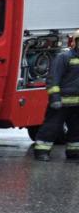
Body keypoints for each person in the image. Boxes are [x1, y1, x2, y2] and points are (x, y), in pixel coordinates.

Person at [34, 29, 79, 162]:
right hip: (61, 102)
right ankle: (42, 151)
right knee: (52, 127)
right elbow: (53, 79)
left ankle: (74, 152)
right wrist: (55, 98)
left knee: (77, 130)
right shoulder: (64, 57)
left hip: (77, 104)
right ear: (75, 42)